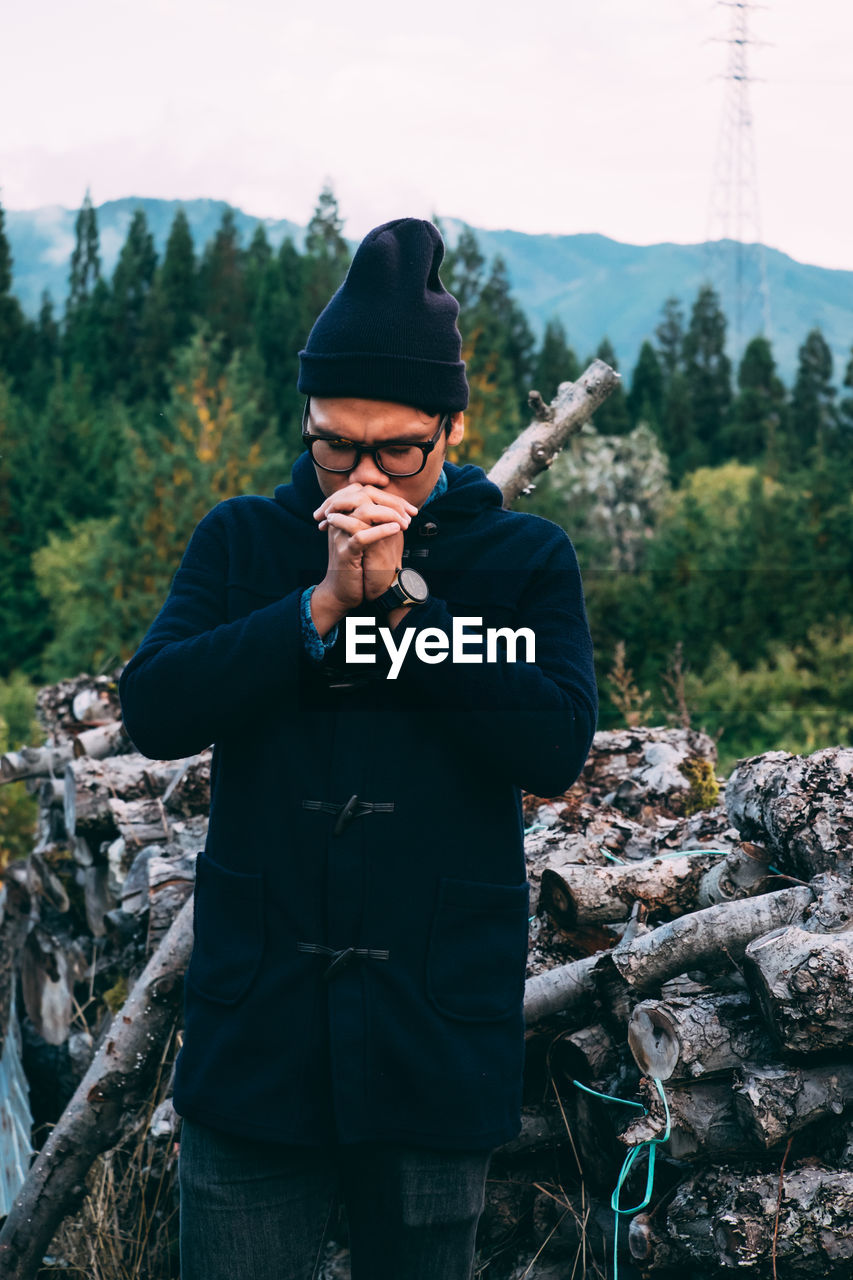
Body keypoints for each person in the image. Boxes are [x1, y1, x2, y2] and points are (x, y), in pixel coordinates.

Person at [118, 217, 598, 1280]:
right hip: (259, 1037)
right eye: (334, 440)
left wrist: (403, 622)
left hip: (433, 1035)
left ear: (454, 425)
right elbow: (153, 708)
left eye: (396, 447)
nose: (364, 470)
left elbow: (556, 741)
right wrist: (320, 606)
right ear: (306, 420)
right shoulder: (242, 541)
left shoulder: (521, 557)